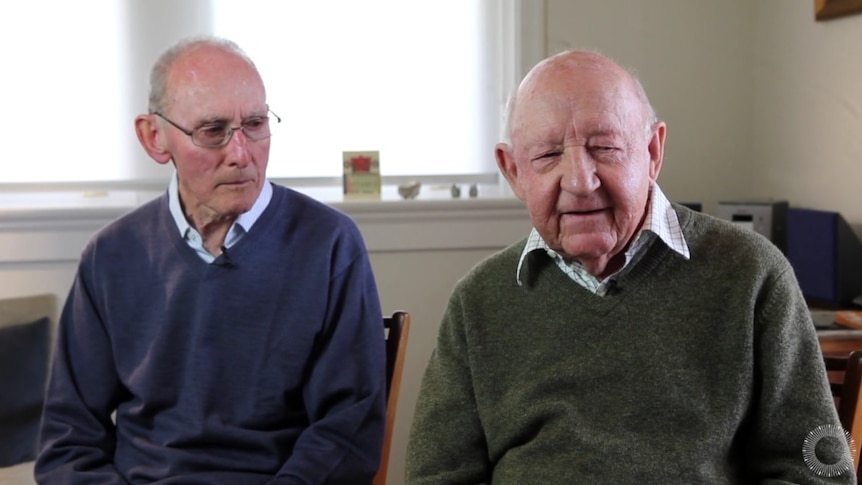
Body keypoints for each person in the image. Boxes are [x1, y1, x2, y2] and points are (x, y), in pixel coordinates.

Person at [405, 50, 856, 483]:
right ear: (513, 171)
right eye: (546, 156)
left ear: (653, 151)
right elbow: (437, 476)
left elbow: (817, 473)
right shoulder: (479, 301)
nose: (581, 182)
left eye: (604, 147)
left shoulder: (752, 274)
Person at [35, 36, 386, 484]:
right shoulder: (111, 255)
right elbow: (68, 442)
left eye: (255, 124)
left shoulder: (330, 244)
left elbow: (348, 431)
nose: (240, 154)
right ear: (154, 137)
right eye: (213, 131)